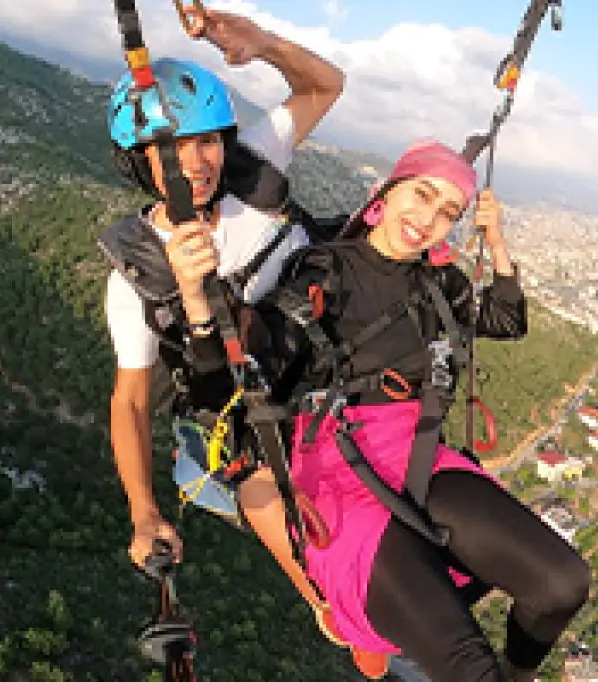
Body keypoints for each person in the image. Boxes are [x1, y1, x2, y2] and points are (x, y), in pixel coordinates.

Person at [172, 139, 592, 681]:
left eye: (448, 213)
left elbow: (507, 320)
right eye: (421, 194)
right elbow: (229, 385)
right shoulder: (322, 273)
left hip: (418, 453)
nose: (428, 220)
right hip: (336, 465)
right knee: (467, 666)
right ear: (387, 192)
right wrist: (195, 300)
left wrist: (495, 239)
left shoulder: (439, 284)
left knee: (563, 584)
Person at [102, 7, 391, 678]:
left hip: (325, 356)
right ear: (141, 162)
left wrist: (259, 45)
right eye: (169, 149)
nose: (194, 162)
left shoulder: (246, 171)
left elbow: (323, 86)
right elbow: (132, 403)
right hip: (250, 410)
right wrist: (143, 513)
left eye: (206, 141)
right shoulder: (139, 273)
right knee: (259, 473)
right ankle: (325, 597)